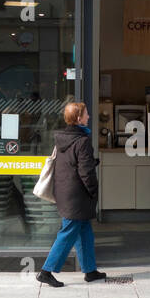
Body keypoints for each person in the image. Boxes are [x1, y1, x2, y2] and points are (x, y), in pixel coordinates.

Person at [37, 101, 106, 286]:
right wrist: (93, 190)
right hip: (78, 195)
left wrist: (91, 162)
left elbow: (70, 165)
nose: (89, 117)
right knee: (67, 233)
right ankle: (46, 271)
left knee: (85, 231)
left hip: (66, 191)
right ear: (78, 118)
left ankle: (90, 270)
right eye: (86, 114)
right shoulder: (82, 141)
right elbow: (85, 172)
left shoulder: (62, 138)